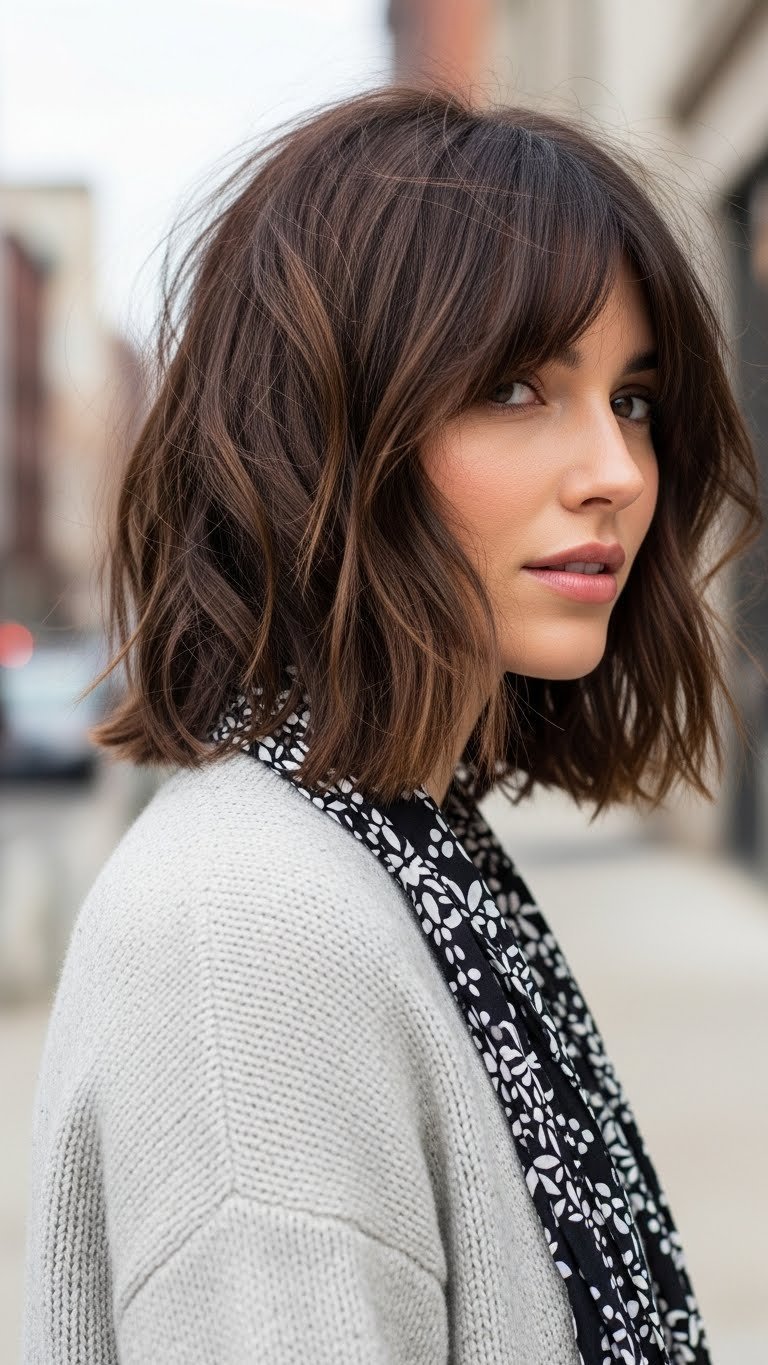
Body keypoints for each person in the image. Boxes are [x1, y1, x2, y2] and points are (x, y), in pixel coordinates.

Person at [21, 85, 762, 1364]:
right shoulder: (248, 935)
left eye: (632, 398)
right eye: (521, 390)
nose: (619, 472)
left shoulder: (401, 841)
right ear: (323, 435)